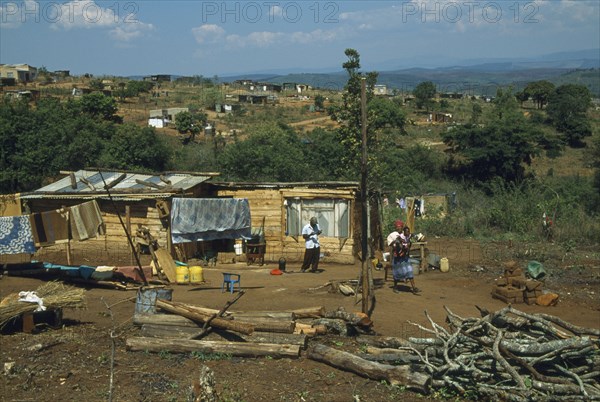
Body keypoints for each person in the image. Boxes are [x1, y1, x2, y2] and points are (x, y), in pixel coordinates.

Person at [390, 226, 420, 294]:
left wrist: (415, 236)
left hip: (405, 258)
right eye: (407, 232)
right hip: (398, 258)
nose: (408, 233)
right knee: (397, 273)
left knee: (410, 271)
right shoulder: (399, 238)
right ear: (404, 232)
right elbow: (396, 246)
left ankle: (414, 288)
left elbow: (412, 236)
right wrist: (403, 246)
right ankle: (395, 287)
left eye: (409, 231)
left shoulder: (408, 236)